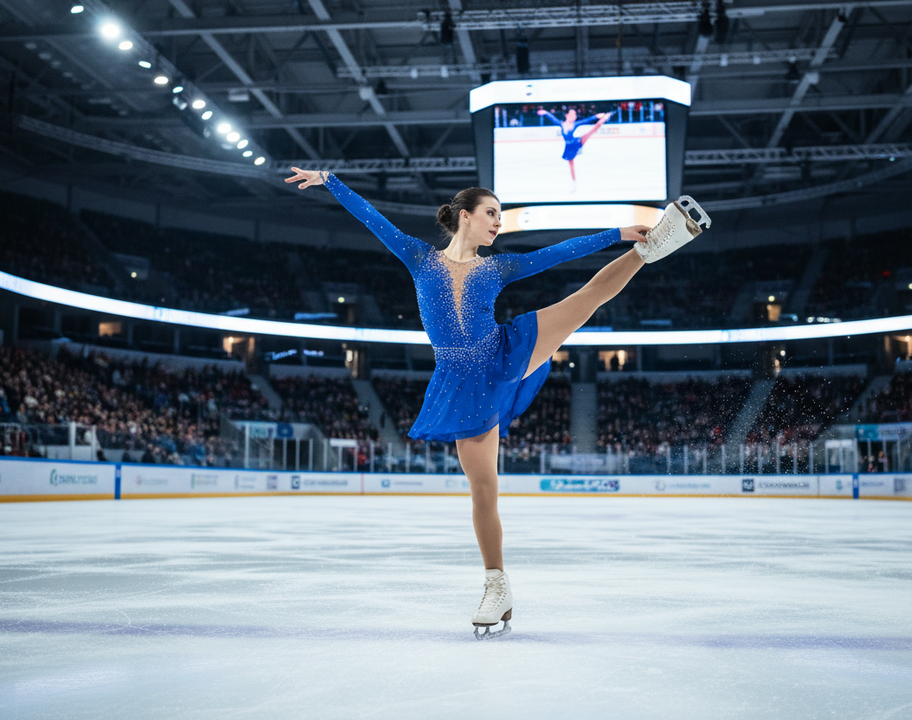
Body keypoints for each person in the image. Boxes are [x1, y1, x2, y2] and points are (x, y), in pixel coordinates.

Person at [285, 168, 708, 638]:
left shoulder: (497, 268)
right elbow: (372, 218)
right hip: (461, 384)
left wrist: (616, 234)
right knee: (484, 490)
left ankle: (651, 246)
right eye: (491, 213)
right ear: (464, 216)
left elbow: (556, 253)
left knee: (586, 299)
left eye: (500, 216)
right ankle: (496, 585)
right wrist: (330, 180)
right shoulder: (419, 257)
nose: (498, 223)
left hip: (506, 353)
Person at [536, 107, 613, 192]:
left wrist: (596, 116)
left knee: (592, 131)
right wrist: (545, 112)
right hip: (569, 147)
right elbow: (553, 119)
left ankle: (603, 119)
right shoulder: (561, 124)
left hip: (577, 142)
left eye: (575, 115)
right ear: (566, 115)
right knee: (571, 165)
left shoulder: (575, 124)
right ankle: (574, 183)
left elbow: (586, 120)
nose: (573, 116)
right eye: (571, 114)